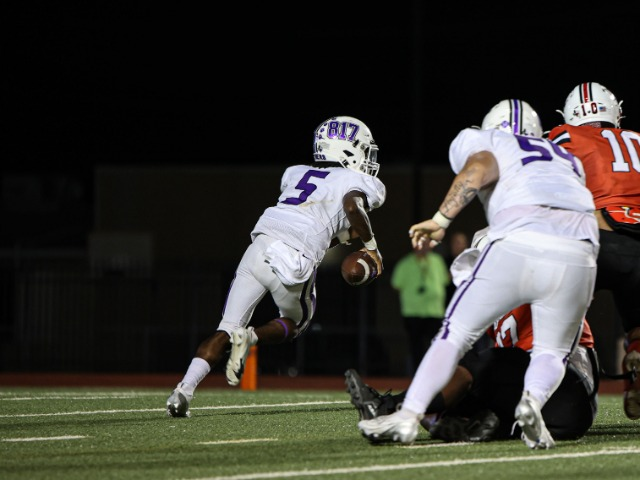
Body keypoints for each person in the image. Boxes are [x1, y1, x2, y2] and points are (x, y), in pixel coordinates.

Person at [357, 99, 599, 450]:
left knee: (454, 335)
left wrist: (441, 220)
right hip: (581, 248)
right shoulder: (567, 158)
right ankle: (531, 402)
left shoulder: (487, 142)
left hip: (520, 237)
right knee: (551, 351)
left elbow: (481, 166)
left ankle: (407, 416)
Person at [166, 115, 387, 417]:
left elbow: (316, 220)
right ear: (348, 150)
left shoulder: (296, 172)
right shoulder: (361, 182)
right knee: (296, 322)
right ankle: (252, 337)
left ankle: (182, 391)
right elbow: (351, 205)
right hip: (293, 257)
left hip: (260, 244)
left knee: (226, 326)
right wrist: (372, 249)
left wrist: (345, 237)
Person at [347, 228, 599, 443]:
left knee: (487, 363)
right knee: (451, 397)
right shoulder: (496, 303)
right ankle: (475, 426)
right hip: (544, 414)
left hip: (569, 391)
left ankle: (387, 407)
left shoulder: (537, 280)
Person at [547, 82, 640, 421]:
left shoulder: (564, 135)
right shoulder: (637, 140)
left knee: (548, 300)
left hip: (599, 239)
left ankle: (557, 374)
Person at [390, 239, 450, 374]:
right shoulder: (404, 264)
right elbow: (396, 285)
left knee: (436, 346)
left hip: (435, 311)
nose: (423, 246)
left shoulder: (437, 261)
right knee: (416, 347)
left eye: (426, 243)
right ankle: (418, 375)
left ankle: (435, 374)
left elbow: (445, 280)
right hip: (412, 312)